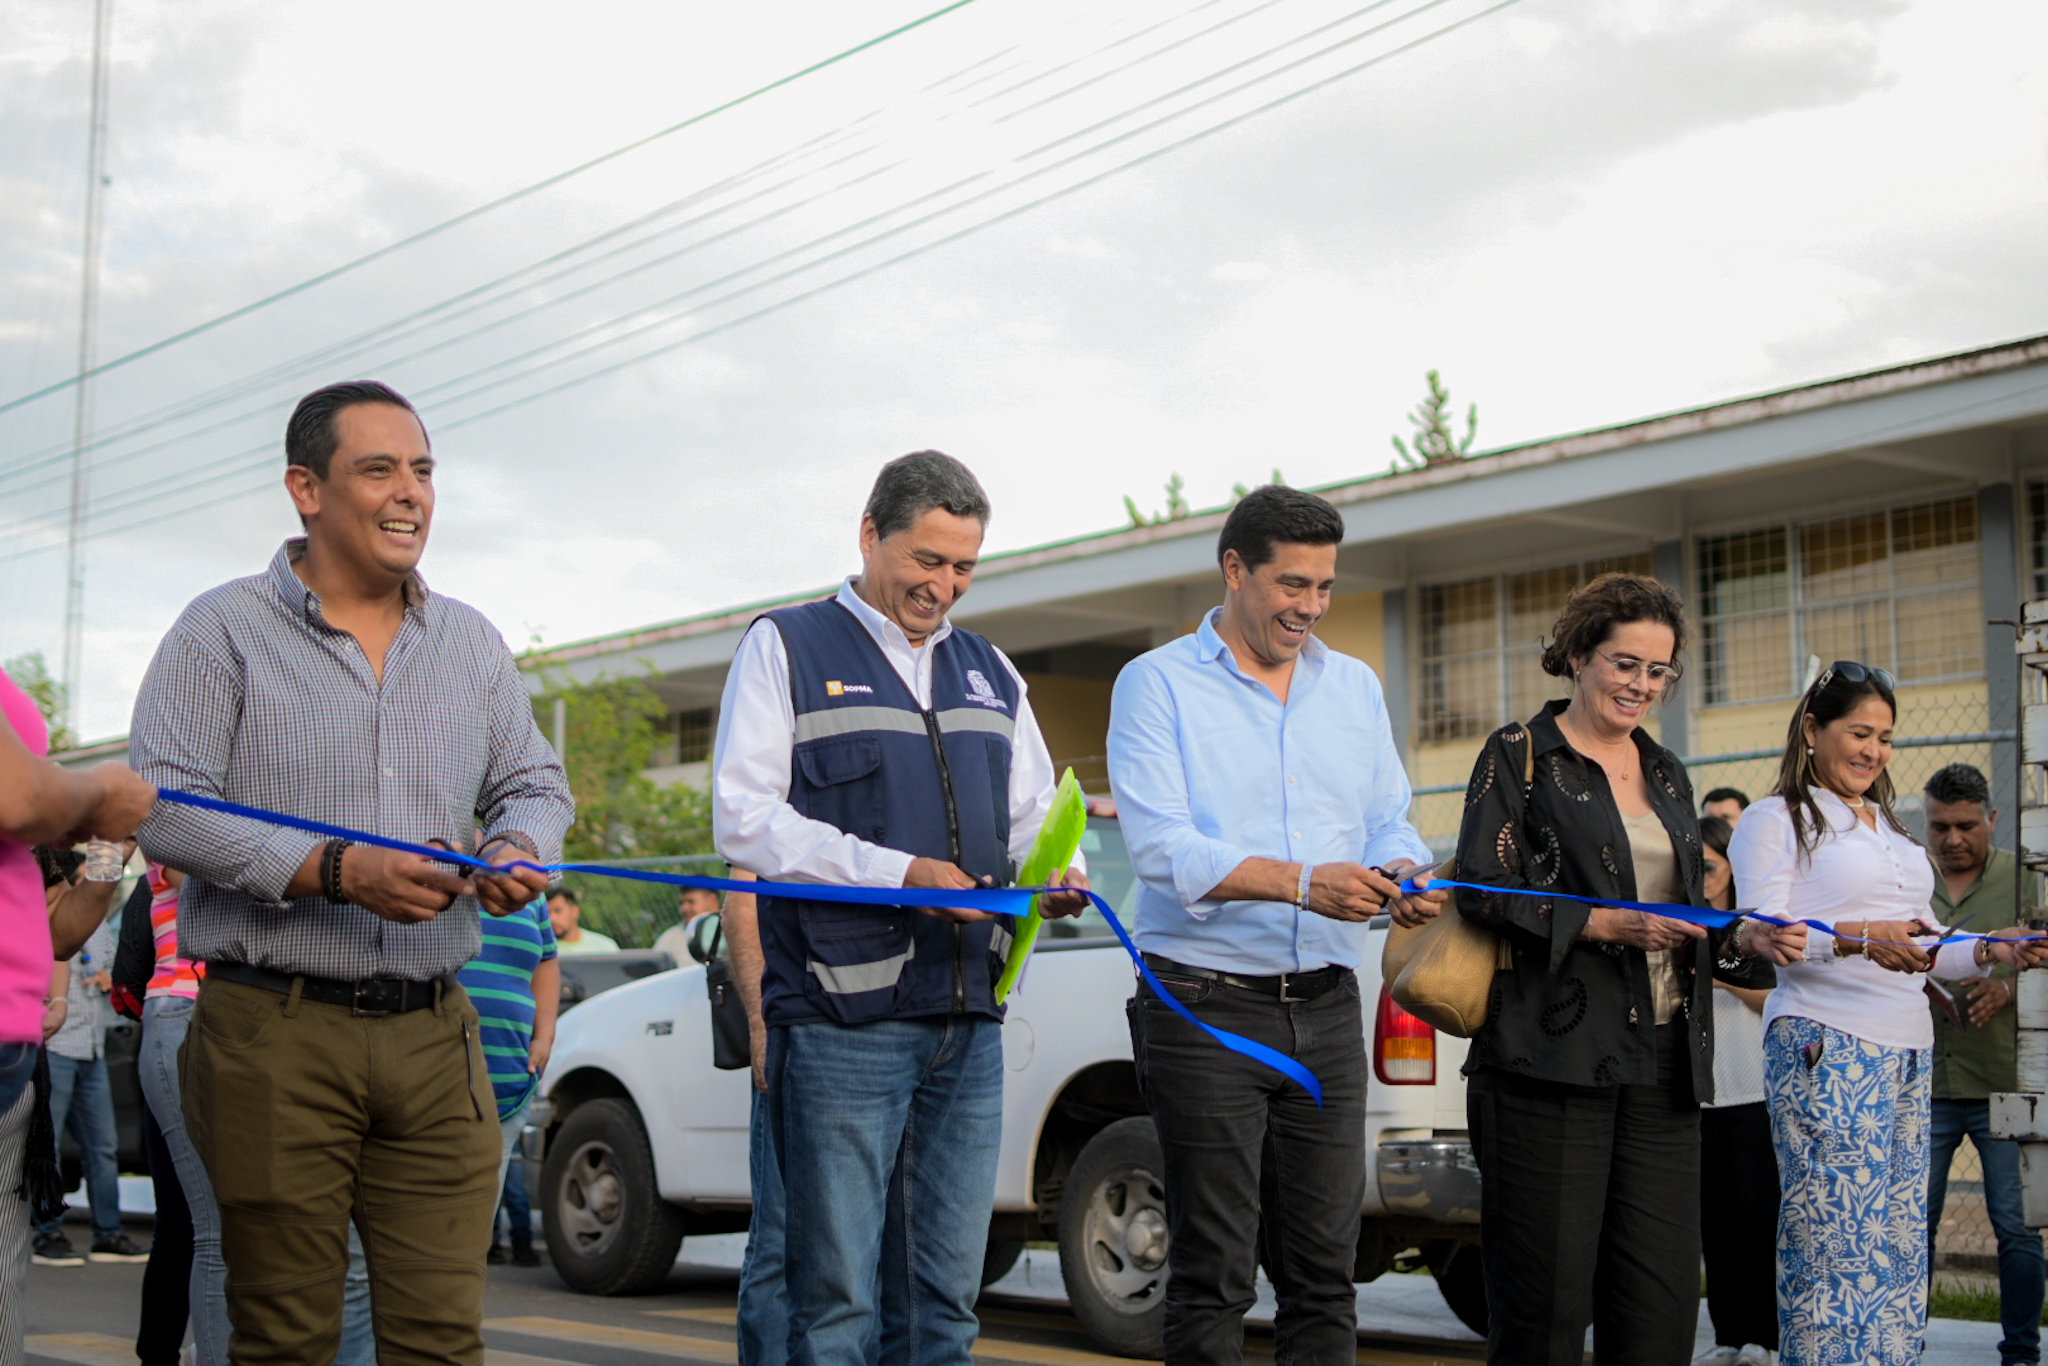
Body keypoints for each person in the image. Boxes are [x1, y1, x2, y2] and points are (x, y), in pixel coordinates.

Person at [130, 380, 573, 1366]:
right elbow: (160, 803)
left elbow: (534, 781)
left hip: (436, 1036)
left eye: (421, 469)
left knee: (440, 1342)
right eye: (379, 469)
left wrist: (517, 848)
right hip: (270, 1033)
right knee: (286, 1340)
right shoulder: (220, 630)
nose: (410, 492)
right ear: (307, 488)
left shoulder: (469, 642)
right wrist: (329, 867)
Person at [712, 450, 1088, 1366]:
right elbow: (745, 821)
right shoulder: (787, 645)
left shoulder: (992, 672)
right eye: (927, 561)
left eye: (964, 567)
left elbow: (1037, 810)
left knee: (944, 1309)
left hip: (967, 1020)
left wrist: (1062, 871)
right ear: (870, 534)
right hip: (842, 1022)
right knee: (833, 1303)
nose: (945, 587)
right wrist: (901, 874)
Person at [1107, 485, 1444, 1366]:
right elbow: (1162, 848)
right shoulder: (1155, 685)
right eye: (1292, 584)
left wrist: (1401, 869)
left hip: (1329, 1006)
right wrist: (1302, 885)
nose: (1310, 607)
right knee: (1215, 1272)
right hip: (1203, 1008)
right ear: (1235, 569)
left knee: (1325, 1276)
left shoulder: (1354, 686)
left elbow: (1386, 817)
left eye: (1324, 587)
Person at [1453, 573, 1796, 1366]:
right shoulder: (1520, 753)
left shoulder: (1667, 769)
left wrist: (1744, 935)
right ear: (1579, 654)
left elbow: (1681, 907)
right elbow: (1478, 890)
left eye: (1658, 671)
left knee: (1660, 1306)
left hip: (1666, 1064)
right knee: (1545, 1306)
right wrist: (1600, 921)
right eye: (1625, 663)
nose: (1642, 684)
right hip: (1551, 1062)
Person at [1729, 664, 2048, 1366]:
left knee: (1897, 1244)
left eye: (1886, 737)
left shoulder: (1893, 830)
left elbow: (1929, 943)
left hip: (1907, 1050)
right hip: (1827, 1043)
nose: (1874, 751)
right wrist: (1865, 936)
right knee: (1833, 1237)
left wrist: (1995, 948)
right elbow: (1770, 935)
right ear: (1813, 731)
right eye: (1860, 733)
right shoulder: (1775, 819)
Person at [0, 663, 153, 1366]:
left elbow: (60, 929)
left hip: (16, 1044)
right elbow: (20, 797)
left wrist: (104, 851)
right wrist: (101, 789)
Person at [1919, 762, 2045, 1366]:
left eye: (1967, 826)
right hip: (1927, 1083)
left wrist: (2012, 988)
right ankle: (1902, 1344)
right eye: (1940, 826)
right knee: (1911, 1227)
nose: (1952, 840)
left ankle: (2021, 1352)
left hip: (2005, 1080)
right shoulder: (1910, 880)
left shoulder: (2026, 879)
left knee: (2017, 1230)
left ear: (1992, 820)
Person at [1694, 815, 1777, 1366]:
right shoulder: (1680, 923)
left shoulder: (1754, 928)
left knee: (1755, 1218)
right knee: (1714, 1221)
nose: (1700, 878)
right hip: (1702, 1093)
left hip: (1752, 1092)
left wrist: (1720, 978)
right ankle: (1727, 1336)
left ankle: (1764, 1338)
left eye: (1709, 867)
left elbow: (1774, 999)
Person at [35, 916, 146, 1264]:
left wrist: (108, 978)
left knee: (103, 1148)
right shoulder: (46, 920)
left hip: (94, 1047)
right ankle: (46, 1233)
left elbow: (114, 966)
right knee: (46, 1148)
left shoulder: (97, 925)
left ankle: (108, 1235)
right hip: (56, 1046)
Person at [652, 885, 721, 962]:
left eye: (691, 902)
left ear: (712, 900)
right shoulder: (670, 939)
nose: (684, 908)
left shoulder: (730, 934)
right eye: (682, 903)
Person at [547, 888, 619, 955]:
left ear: (575, 911)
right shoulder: (543, 951)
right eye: (548, 913)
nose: (552, 918)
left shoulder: (605, 947)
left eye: (558, 911)